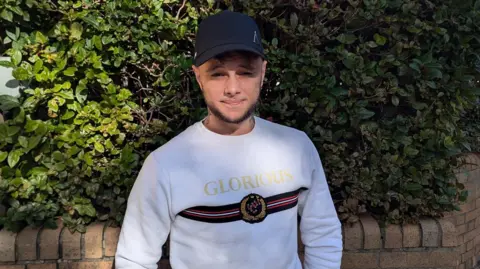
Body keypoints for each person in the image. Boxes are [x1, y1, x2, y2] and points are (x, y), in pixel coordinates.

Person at [115, 10, 343, 269]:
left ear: (263, 72)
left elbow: (323, 233)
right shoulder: (165, 164)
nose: (232, 88)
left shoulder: (297, 147)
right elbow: (134, 259)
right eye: (218, 73)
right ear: (199, 77)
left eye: (245, 72)